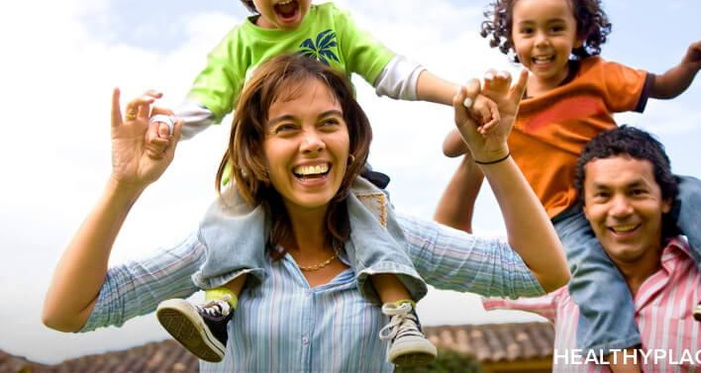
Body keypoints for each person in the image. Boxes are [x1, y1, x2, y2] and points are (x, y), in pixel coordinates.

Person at [42, 54, 569, 373]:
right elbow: (68, 312)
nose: (312, 144)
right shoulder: (219, 247)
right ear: (258, 149)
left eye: (328, 123)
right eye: (287, 128)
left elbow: (539, 272)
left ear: (352, 136)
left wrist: (493, 153)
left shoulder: (392, 235)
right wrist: (124, 185)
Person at [142, 0, 499, 365]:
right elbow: (208, 100)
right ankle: (217, 309)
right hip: (259, 180)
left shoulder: (335, 24)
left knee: (372, 216)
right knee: (232, 223)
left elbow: (392, 71)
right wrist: (167, 126)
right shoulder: (238, 45)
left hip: (337, 178)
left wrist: (459, 94)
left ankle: (401, 316)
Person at [438, 0, 701, 371]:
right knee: (592, 274)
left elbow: (662, 87)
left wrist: (689, 66)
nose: (542, 42)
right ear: (510, 37)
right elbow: (452, 147)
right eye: (528, 31)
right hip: (562, 216)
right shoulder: (510, 96)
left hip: (612, 185)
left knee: (694, 190)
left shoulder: (596, 76)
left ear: (579, 32)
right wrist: (482, 114)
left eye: (555, 28)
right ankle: (622, 357)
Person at [482, 126, 701, 372]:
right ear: (585, 209)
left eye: (637, 192)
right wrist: (482, 152)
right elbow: (453, 252)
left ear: (667, 199)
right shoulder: (562, 283)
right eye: (602, 196)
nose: (620, 209)